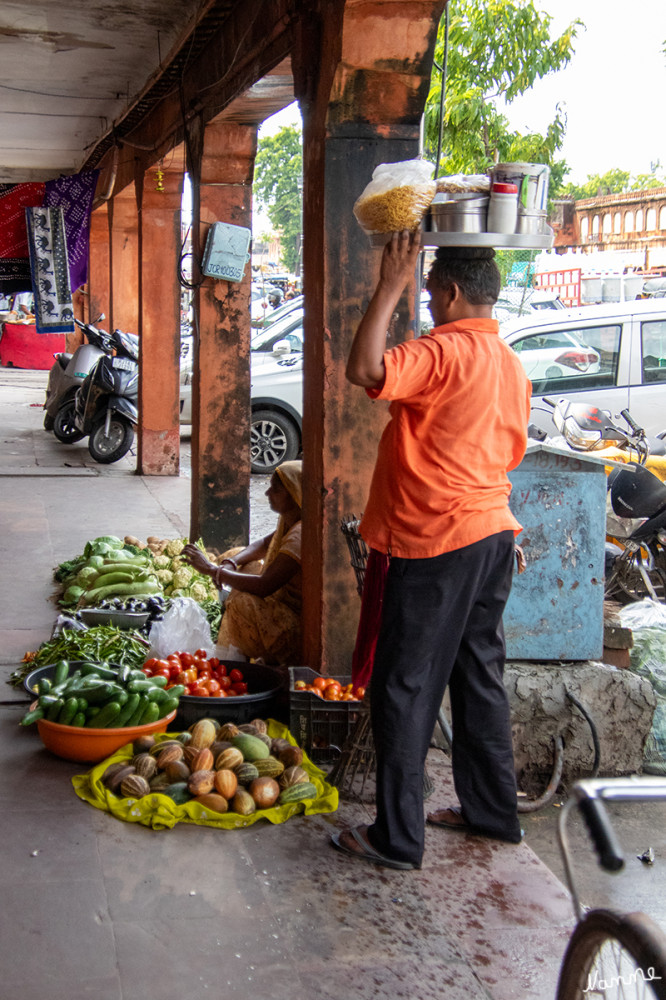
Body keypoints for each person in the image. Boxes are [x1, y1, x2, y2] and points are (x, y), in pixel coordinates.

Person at [331, 231, 531, 871]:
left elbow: (364, 370)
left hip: (434, 541)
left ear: (445, 293)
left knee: (403, 687)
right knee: (478, 677)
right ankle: (492, 812)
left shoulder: (444, 352)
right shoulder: (510, 362)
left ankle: (397, 837)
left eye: (426, 289)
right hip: (493, 535)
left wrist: (388, 285)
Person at [181, 460, 302, 669]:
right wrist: (231, 562)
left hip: (293, 622)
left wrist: (213, 571)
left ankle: (255, 657)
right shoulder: (289, 520)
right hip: (279, 597)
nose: (267, 493)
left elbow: (266, 585)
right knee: (237, 555)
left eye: (275, 489)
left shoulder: (300, 534)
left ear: (294, 494)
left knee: (239, 603)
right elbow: (265, 543)